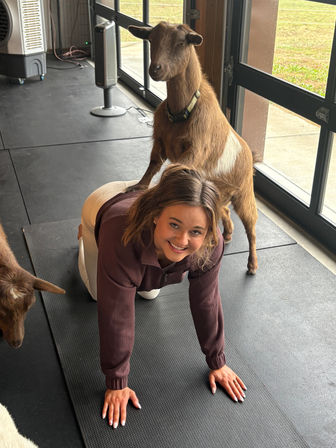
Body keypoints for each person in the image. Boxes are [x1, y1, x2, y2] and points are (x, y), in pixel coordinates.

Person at [78, 164, 246, 429]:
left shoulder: (211, 244)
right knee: (99, 295)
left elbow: (206, 301)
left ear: (207, 231)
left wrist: (217, 361)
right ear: (157, 215)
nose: (182, 239)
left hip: (155, 203)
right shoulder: (119, 234)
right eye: (175, 225)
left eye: (195, 232)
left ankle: (132, 264)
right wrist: (117, 381)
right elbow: (116, 314)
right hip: (105, 205)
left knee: (147, 293)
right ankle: (84, 239)